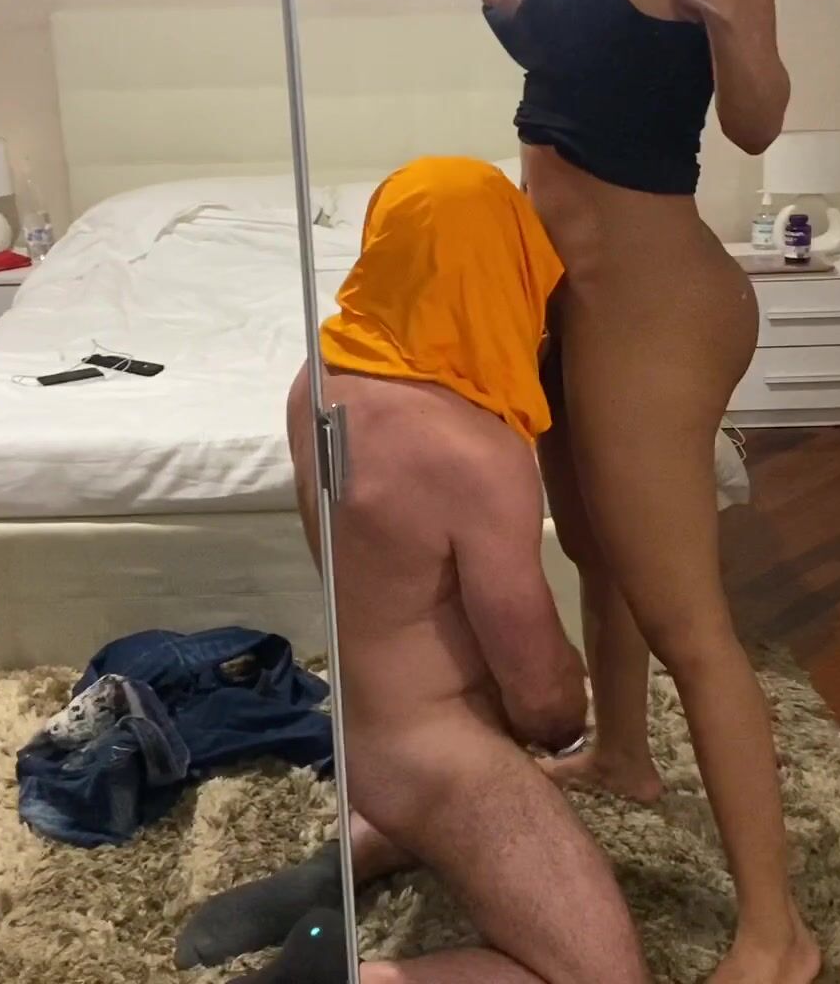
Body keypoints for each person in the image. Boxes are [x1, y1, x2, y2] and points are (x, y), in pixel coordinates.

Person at [176, 156, 649, 984]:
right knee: (601, 978)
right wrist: (572, 714)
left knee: (450, 816)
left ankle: (348, 862)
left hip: (364, 733)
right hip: (446, 762)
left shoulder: (315, 382)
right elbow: (540, 698)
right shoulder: (474, 452)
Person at [480, 0, 823, 981]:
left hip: (655, 308)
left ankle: (779, 934)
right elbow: (511, 0)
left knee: (690, 624)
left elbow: (756, 120)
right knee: (594, 548)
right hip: (563, 299)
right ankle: (622, 755)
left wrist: (734, 16)